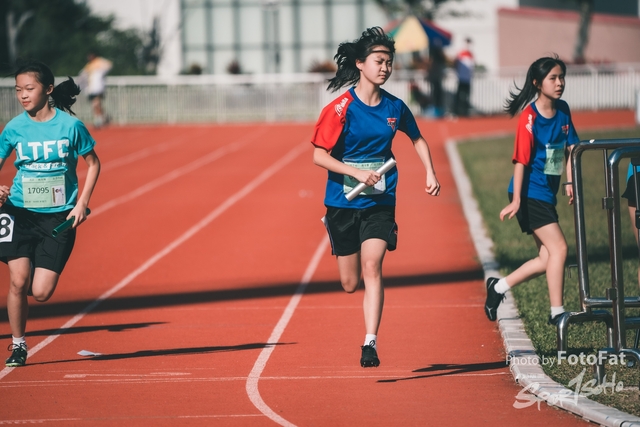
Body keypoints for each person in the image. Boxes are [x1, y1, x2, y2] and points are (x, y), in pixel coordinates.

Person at [311, 27, 440, 367]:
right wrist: (354, 172)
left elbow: (417, 138)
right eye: (378, 61)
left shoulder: (395, 106)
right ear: (360, 63)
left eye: (389, 62)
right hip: (343, 201)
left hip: (380, 200)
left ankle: (370, 342)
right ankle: (333, 228)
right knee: (350, 283)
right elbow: (318, 155)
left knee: (373, 265)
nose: (385, 68)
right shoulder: (340, 108)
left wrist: (430, 171)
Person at [0, 61, 101, 367]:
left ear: (48, 89)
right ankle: (19, 345)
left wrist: (82, 202)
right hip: (18, 212)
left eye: (29, 89)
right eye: (18, 90)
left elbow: (93, 164)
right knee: (17, 281)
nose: (22, 95)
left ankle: (32, 267)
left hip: (58, 218)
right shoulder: (14, 128)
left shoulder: (71, 127)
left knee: (41, 292)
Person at [484, 55, 579, 326]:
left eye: (561, 77)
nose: (559, 83)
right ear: (537, 83)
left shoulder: (563, 109)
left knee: (547, 258)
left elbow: (571, 148)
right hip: (528, 193)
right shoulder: (529, 116)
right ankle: (557, 313)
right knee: (559, 248)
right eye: (553, 78)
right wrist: (516, 201)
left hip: (546, 194)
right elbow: (521, 161)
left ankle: (498, 287)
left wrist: (570, 181)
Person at [78, 53, 112, 128]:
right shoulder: (89, 66)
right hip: (91, 89)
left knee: (96, 103)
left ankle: (99, 119)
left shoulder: (100, 62)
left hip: (98, 88)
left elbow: (108, 65)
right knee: (96, 104)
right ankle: (104, 117)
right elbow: (83, 75)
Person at [453, 38, 474, 117]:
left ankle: (465, 111)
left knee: (466, 96)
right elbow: (456, 64)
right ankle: (457, 111)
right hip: (461, 78)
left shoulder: (471, 54)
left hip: (468, 79)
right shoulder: (460, 53)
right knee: (459, 96)